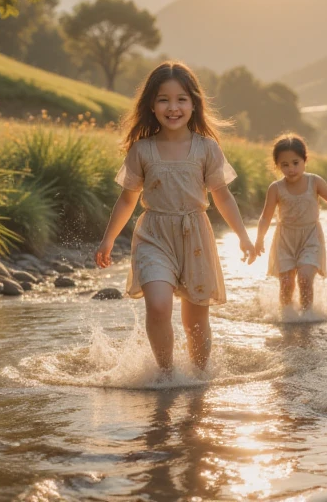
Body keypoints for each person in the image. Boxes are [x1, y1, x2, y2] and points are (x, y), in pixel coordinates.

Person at [96, 61, 255, 373]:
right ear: (151, 106)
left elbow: (222, 195)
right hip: (154, 235)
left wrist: (244, 236)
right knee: (157, 305)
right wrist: (108, 239)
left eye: (181, 99)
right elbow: (128, 198)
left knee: (195, 318)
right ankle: (166, 375)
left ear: (194, 104)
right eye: (163, 99)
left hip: (195, 234)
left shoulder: (207, 148)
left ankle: (197, 378)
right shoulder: (142, 150)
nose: (173, 107)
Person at [255, 134, 327, 309]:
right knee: (286, 283)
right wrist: (259, 239)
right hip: (285, 239)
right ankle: (288, 317)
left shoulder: (315, 182)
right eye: (284, 165)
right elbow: (265, 216)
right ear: (277, 166)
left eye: (295, 163)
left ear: (304, 160)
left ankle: (307, 315)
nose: (291, 169)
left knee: (304, 278)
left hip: (311, 237)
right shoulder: (276, 188)